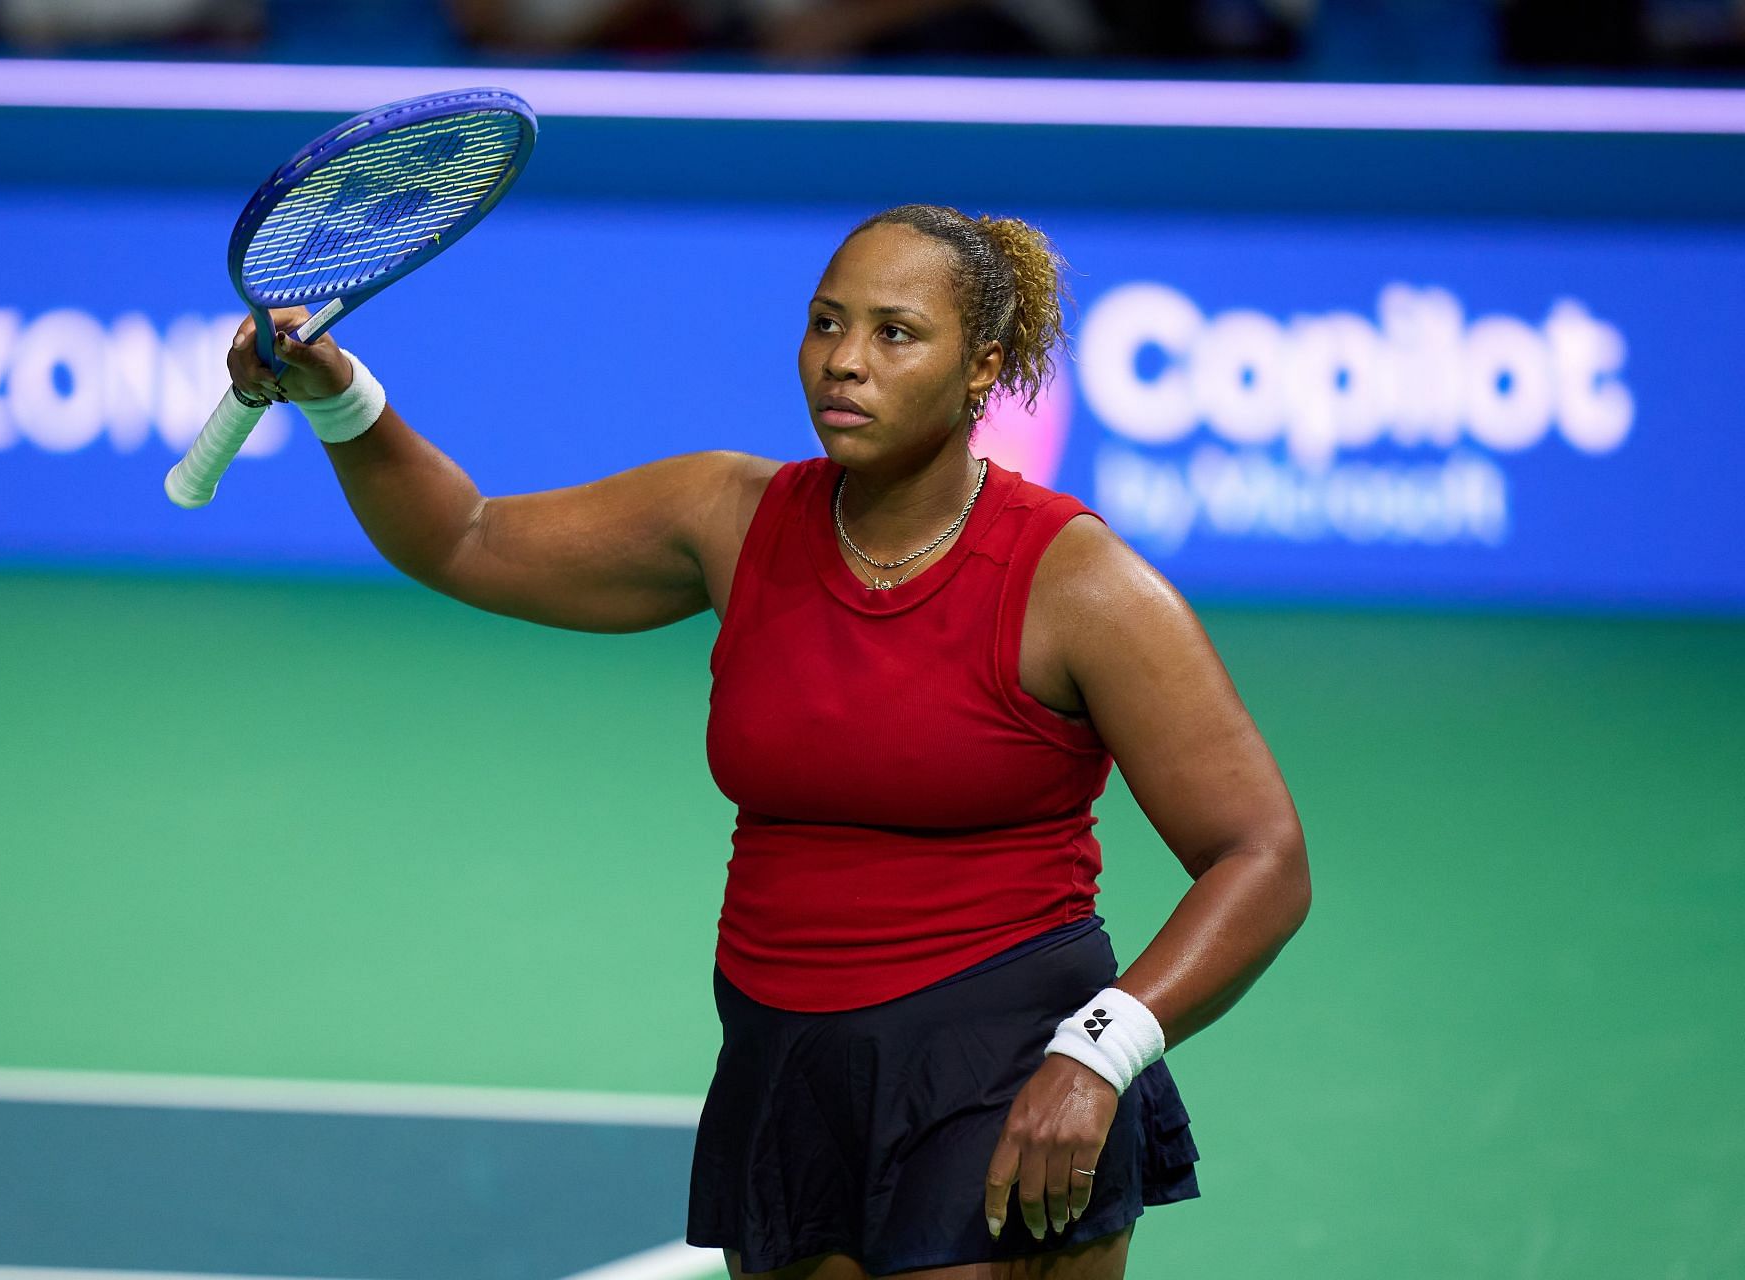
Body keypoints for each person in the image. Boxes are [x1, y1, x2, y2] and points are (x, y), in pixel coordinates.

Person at [225, 203, 1311, 1279]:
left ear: (982, 368)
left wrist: (1100, 1052)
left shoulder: (1078, 581)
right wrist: (342, 399)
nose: (844, 362)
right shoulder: (730, 517)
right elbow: (465, 538)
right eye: (826, 323)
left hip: (1004, 1061)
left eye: (894, 333)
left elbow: (1261, 854)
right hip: (782, 1062)